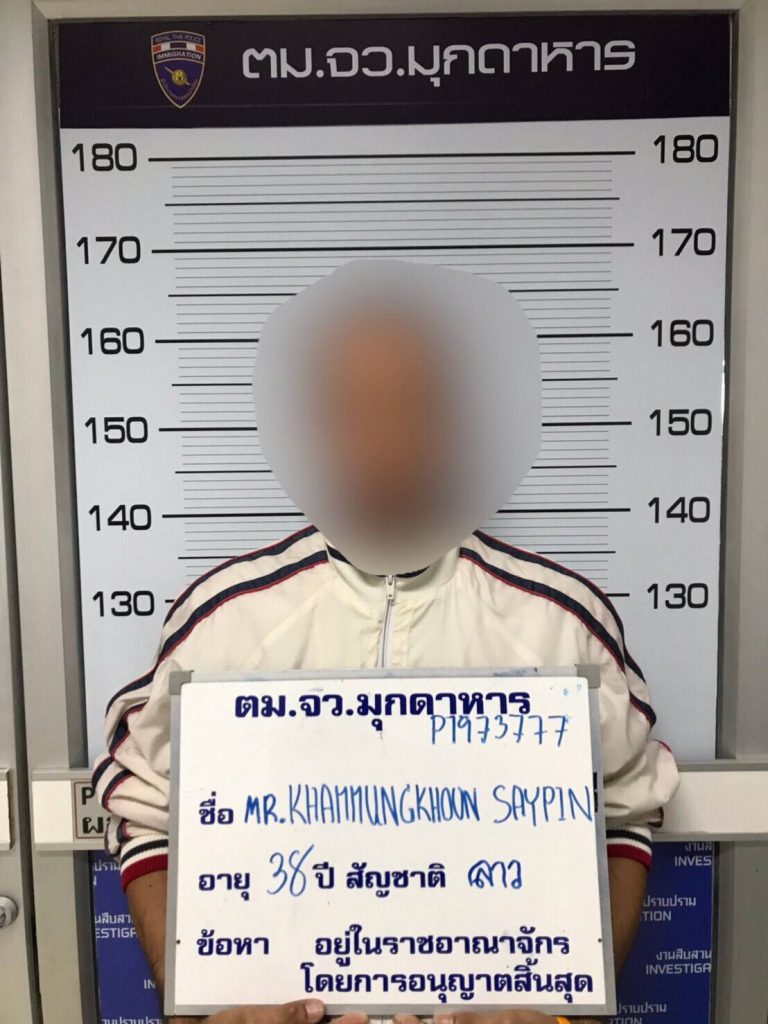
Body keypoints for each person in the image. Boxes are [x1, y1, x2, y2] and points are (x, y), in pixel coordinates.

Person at [92, 260, 679, 1024]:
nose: (385, 441)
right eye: (355, 409)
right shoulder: (225, 619)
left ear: (457, 427)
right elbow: (144, 811)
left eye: (413, 406)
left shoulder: (561, 620)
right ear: (315, 430)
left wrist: (566, 1011)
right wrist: (198, 1004)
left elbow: (625, 812)